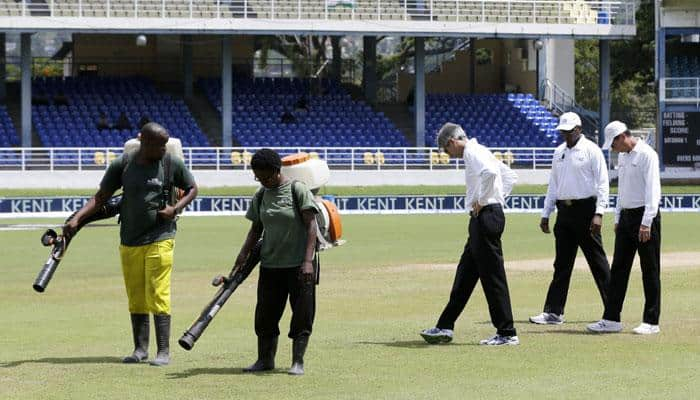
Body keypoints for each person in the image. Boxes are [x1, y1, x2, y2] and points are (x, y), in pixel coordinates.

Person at [63, 122, 198, 366]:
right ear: (143, 142)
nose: (164, 149)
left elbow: (192, 188)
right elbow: (101, 197)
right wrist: (77, 218)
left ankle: (163, 352)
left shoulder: (170, 163)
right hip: (129, 239)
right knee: (136, 295)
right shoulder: (122, 164)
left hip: (161, 237)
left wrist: (175, 208)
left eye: (165, 145)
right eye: (159, 145)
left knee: (158, 293)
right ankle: (140, 349)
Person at [420, 122, 520, 346]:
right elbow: (510, 177)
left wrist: (484, 202)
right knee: (465, 274)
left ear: (452, 142)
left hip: (484, 217)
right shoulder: (480, 150)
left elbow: (491, 173)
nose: (449, 155)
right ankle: (445, 325)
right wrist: (497, 200)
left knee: (493, 277)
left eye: (447, 150)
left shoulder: (472, 152)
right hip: (486, 217)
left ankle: (507, 332)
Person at [235, 148, 319, 375]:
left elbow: (312, 225)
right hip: (270, 265)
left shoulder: (297, 190)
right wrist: (242, 256)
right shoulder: (261, 195)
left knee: (301, 314)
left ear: (276, 170)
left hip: (300, 266)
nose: (262, 181)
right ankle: (265, 360)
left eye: (266, 176)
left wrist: (308, 260)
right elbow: (255, 230)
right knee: (265, 316)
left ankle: (297, 361)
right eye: (258, 177)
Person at [529, 112, 611, 325]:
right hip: (563, 212)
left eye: (568, 131)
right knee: (562, 265)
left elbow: (603, 184)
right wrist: (546, 213)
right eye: (563, 132)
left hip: (586, 211)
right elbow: (553, 184)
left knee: (598, 263)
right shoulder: (559, 152)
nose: (565, 135)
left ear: (578, 129)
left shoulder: (592, 150)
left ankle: (613, 310)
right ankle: (554, 312)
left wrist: (599, 213)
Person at [587, 121, 662, 335]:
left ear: (622, 137)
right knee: (619, 268)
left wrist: (647, 222)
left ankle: (651, 321)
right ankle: (611, 318)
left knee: (650, 269)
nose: (612, 149)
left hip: (645, 217)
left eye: (613, 144)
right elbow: (622, 189)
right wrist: (618, 216)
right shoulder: (622, 156)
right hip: (627, 217)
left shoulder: (647, 155)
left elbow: (652, 192)